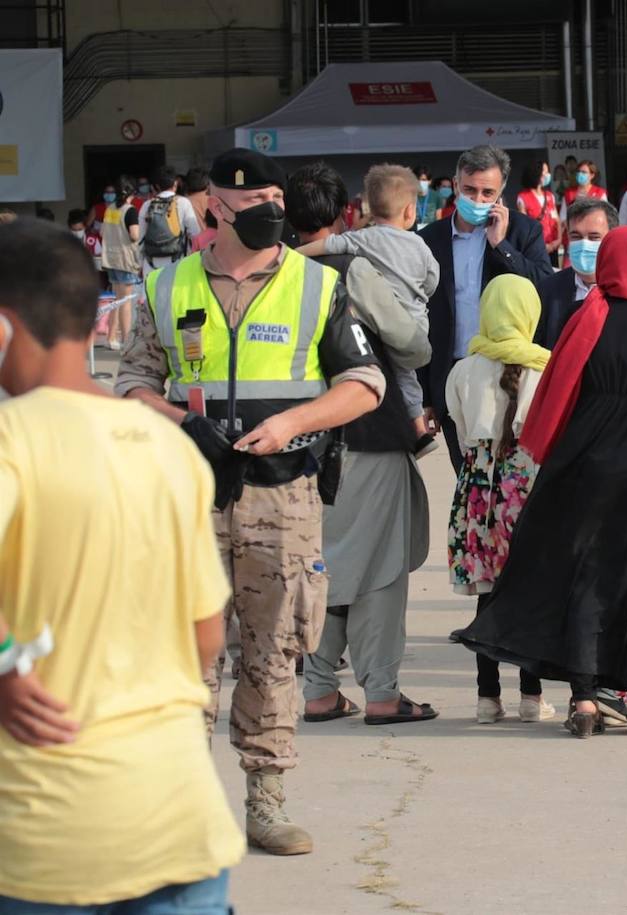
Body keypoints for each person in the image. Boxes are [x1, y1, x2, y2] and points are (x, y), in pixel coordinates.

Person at [115, 147, 385, 855]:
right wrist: (185, 424)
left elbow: (364, 382)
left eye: (276, 199)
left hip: (283, 497)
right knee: (185, 658)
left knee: (274, 652)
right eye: (254, 203)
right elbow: (131, 384)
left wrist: (292, 423)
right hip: (190, 499)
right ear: (214, 207)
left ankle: (265, 802)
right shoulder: (166, 287)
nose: (271, 213)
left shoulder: (317, 286)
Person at [0, 220, 243, 914]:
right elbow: (204, 638)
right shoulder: (165, 449)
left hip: (45, 841)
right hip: (177, 821)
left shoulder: (10, 441)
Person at [454, 226, 627, 738]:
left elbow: (563, 389)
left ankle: (586, 698)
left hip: (585, 459)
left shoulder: (584, 319)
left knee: (587, 574)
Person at [285, 162, 438, 730]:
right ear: (345, 213)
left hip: (295, 439)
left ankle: (321, 689)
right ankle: (381, 691)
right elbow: (412, 344)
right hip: (365, 431)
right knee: (380, 567)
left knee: (328, 561)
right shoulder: (351, 268)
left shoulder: (272, 273)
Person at [446, 276, 555, 724]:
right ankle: (532, 697)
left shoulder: (462, 370)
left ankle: (486, 698)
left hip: (479, 489)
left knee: (487, 594)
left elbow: (459, 428)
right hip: (527, 487)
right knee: (530, 591)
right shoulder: (547, 369)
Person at [418, 145, 556, 473]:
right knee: (469, 480)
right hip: (451, 374)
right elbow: (420, 317)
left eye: (487, 192)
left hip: (508, 375)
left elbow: (543, 288)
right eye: (469, 189)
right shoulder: (429, 239)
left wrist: (501, 246)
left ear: (501, 192)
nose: (477, 199)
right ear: (455, 183)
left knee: (512, 482)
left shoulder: (522, 231)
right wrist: (425, 394)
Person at [296, 163, 440, 455]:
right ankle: (419, 429)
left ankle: (418, 429)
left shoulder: (359, 242)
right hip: (414, 320)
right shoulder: (419, 244)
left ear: (368, 209)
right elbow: (432, 278)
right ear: (411, 211)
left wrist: (287, 257)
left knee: (401, 375)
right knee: (406, 374)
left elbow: (328, 244)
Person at [533, 197, 618, 348]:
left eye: (594, 237)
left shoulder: (624, 291)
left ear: (612, 238)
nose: (584, 244)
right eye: (576, 237)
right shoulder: (548, 290)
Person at [99, 178, 141, 351]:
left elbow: (102, 231)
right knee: (125, 303)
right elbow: (134, 235)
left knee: (116, 301)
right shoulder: (130, 211)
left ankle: (111, 337)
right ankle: (126, 340)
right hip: (125, 259)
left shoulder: (109, 209)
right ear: (132, 194)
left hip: (110, 259)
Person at [139, 165, 202, 278]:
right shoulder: (183, 202)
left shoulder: (147, 205)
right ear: (175, 184)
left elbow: (140, 238)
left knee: (153, 295)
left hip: (151, 263)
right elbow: (195, 233)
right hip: (177, 261)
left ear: (156, 186)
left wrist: (139, 264)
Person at [515, 159, 561, 266]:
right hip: (536, 246)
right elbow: (523, 226)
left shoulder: (550, 196)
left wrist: (558, 240)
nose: (547, 174)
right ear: (536, 173)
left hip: (553, 246)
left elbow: (557, 220)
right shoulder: (523, 197)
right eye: (545, 171)